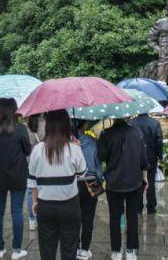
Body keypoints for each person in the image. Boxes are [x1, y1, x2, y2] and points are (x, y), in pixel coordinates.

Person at [28, 110, 86, 260]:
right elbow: (82, 173)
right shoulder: (74, 149)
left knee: (47, 251)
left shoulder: (37, 150)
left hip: (45, 206)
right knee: (69, 249)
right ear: (67, 126)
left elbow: (32, 180)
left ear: (48, 125)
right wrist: (77, 148)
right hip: (70, 206)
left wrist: (35, 202)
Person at [0, 98, 31, 260]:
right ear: (15, 110)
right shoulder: (21, 129)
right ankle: (17, 250)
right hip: (18, 175)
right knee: (17, 211)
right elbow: (27, 151)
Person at [98, 118, 148, 260]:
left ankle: (116, 250)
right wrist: (145, 178)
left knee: (114, 217)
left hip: (114, 183)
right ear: (127, 116)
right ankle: (131, 250)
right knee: (132, 216)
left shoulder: (105, 134)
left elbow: (101, 156)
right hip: (134, 181)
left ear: (113, 117)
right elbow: (143, 159)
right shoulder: (137, 132)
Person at [75, 120, 104, 260]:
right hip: (90, 182)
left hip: (72, 184)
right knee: (88, 217)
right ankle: (85, 250)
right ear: (84, 125)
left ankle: (75, 247)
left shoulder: (67, 142)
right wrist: (101, 180)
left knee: (74, 217)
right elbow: (98, 165)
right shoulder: (92, 141)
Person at [130, 113, 163, 214]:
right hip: (151, 156)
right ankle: (151, 207)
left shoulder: (131, 123)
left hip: (136, 156)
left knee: (138, 181)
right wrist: (160, 155)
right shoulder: (155, 123)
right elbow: (159, 140)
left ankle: (138, 207)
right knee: (151, 181)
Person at [26, 114, 43, 231]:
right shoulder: (47, 124)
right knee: (44, 188)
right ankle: (43, 216)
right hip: (44, 162)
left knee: (30, 191)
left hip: (30, 162)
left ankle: (32, 219)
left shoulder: (25, 127)